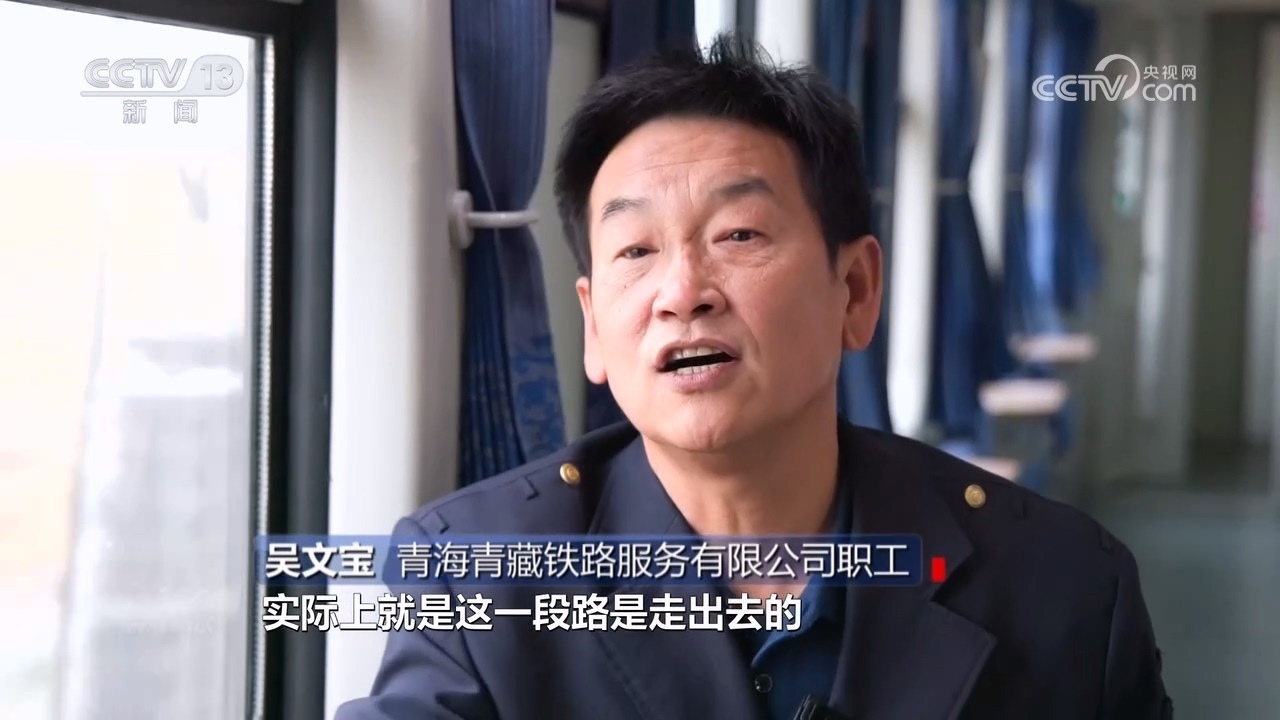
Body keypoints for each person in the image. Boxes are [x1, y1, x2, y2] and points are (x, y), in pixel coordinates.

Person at [336, 34, 1171, 720]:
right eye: (636, 250)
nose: (682, 293)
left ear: (855, 290)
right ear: (592, 326)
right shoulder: (472, 578)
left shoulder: (1063, 584)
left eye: (738, 235)